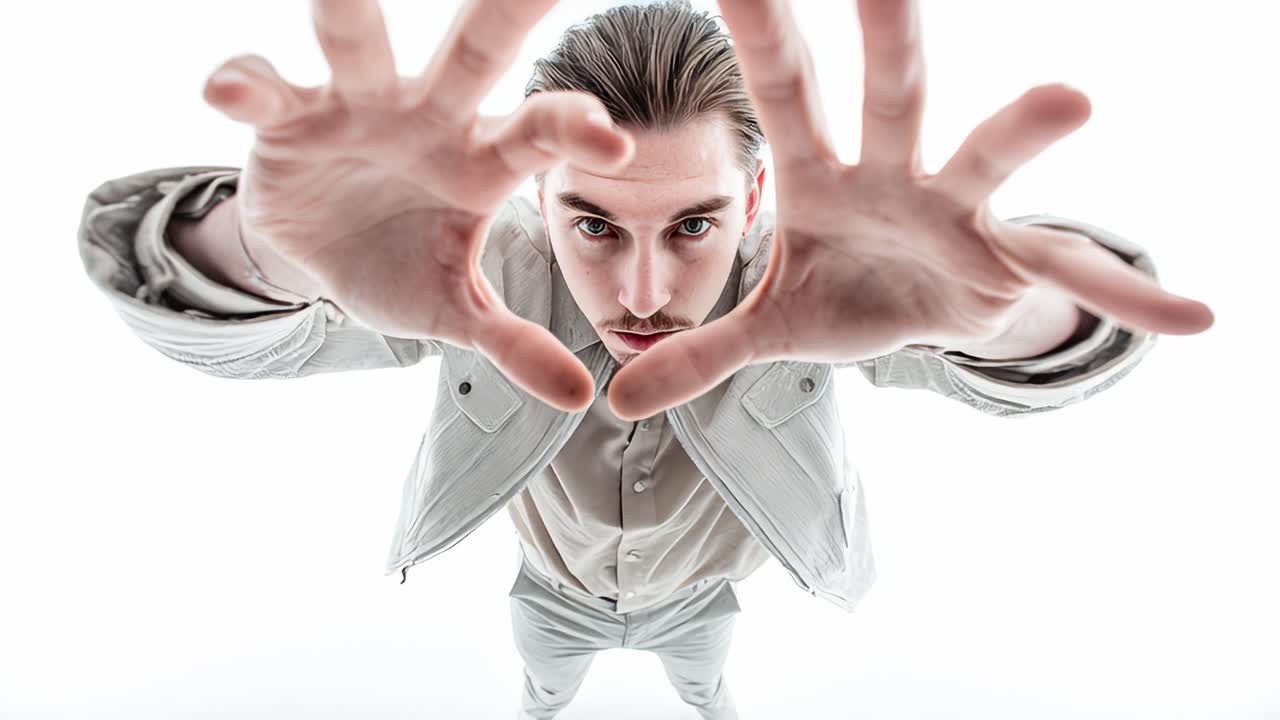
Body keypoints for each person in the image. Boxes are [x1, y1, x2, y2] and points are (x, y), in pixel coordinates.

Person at [76, 1, 1214, 717]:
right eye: (592, 226)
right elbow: (256, 345)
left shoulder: (812, 287)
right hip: (551, 598)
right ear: (536, 195)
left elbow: (1022, 358)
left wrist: (993, 321)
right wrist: (262, 251)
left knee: (707, 695)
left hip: (705, 599)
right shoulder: (473, 271)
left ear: (755, 198)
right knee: (541, 697)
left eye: (692, 226)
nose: (641, 295)